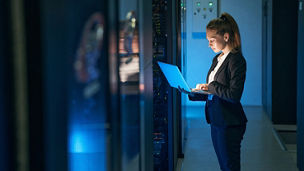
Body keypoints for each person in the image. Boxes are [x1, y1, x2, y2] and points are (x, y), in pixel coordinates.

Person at [179, 12, 247, 171]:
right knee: (225, 166)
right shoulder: (217, 59)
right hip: (217, 119)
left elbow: (234, 95)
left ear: (226, 37)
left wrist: (211, 86)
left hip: (230, 122)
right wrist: (193, 92)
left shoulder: (236, 60)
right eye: (207, 40)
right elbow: (214, 93)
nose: (209, 44)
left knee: (229, 167)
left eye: (211, 40)